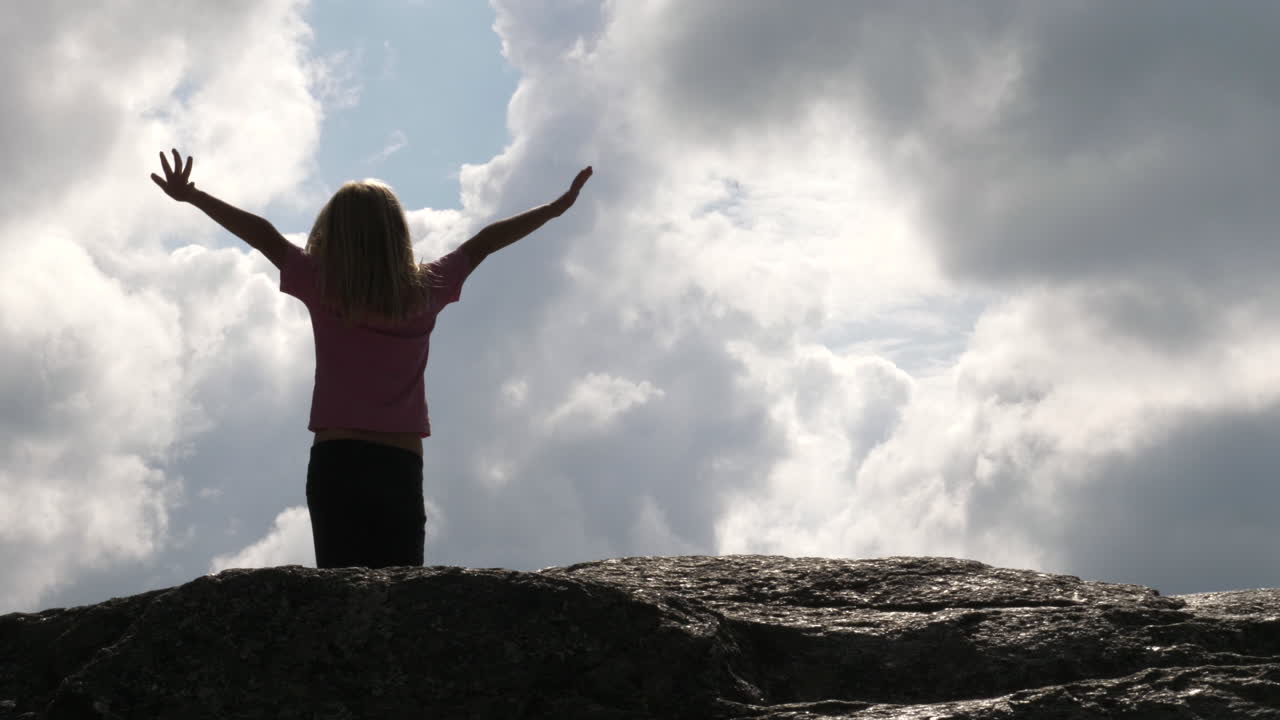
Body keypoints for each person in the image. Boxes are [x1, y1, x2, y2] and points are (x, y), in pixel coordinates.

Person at [151, 148, 592, 569]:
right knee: (399, 599)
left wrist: (194, 196)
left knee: (340, 596)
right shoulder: (426, 290)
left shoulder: (322, 284)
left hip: (337, 460)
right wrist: (554, 208)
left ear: (332, 232)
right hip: (400, 463)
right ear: (397, 231)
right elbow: (485, 242)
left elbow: (264, 235)